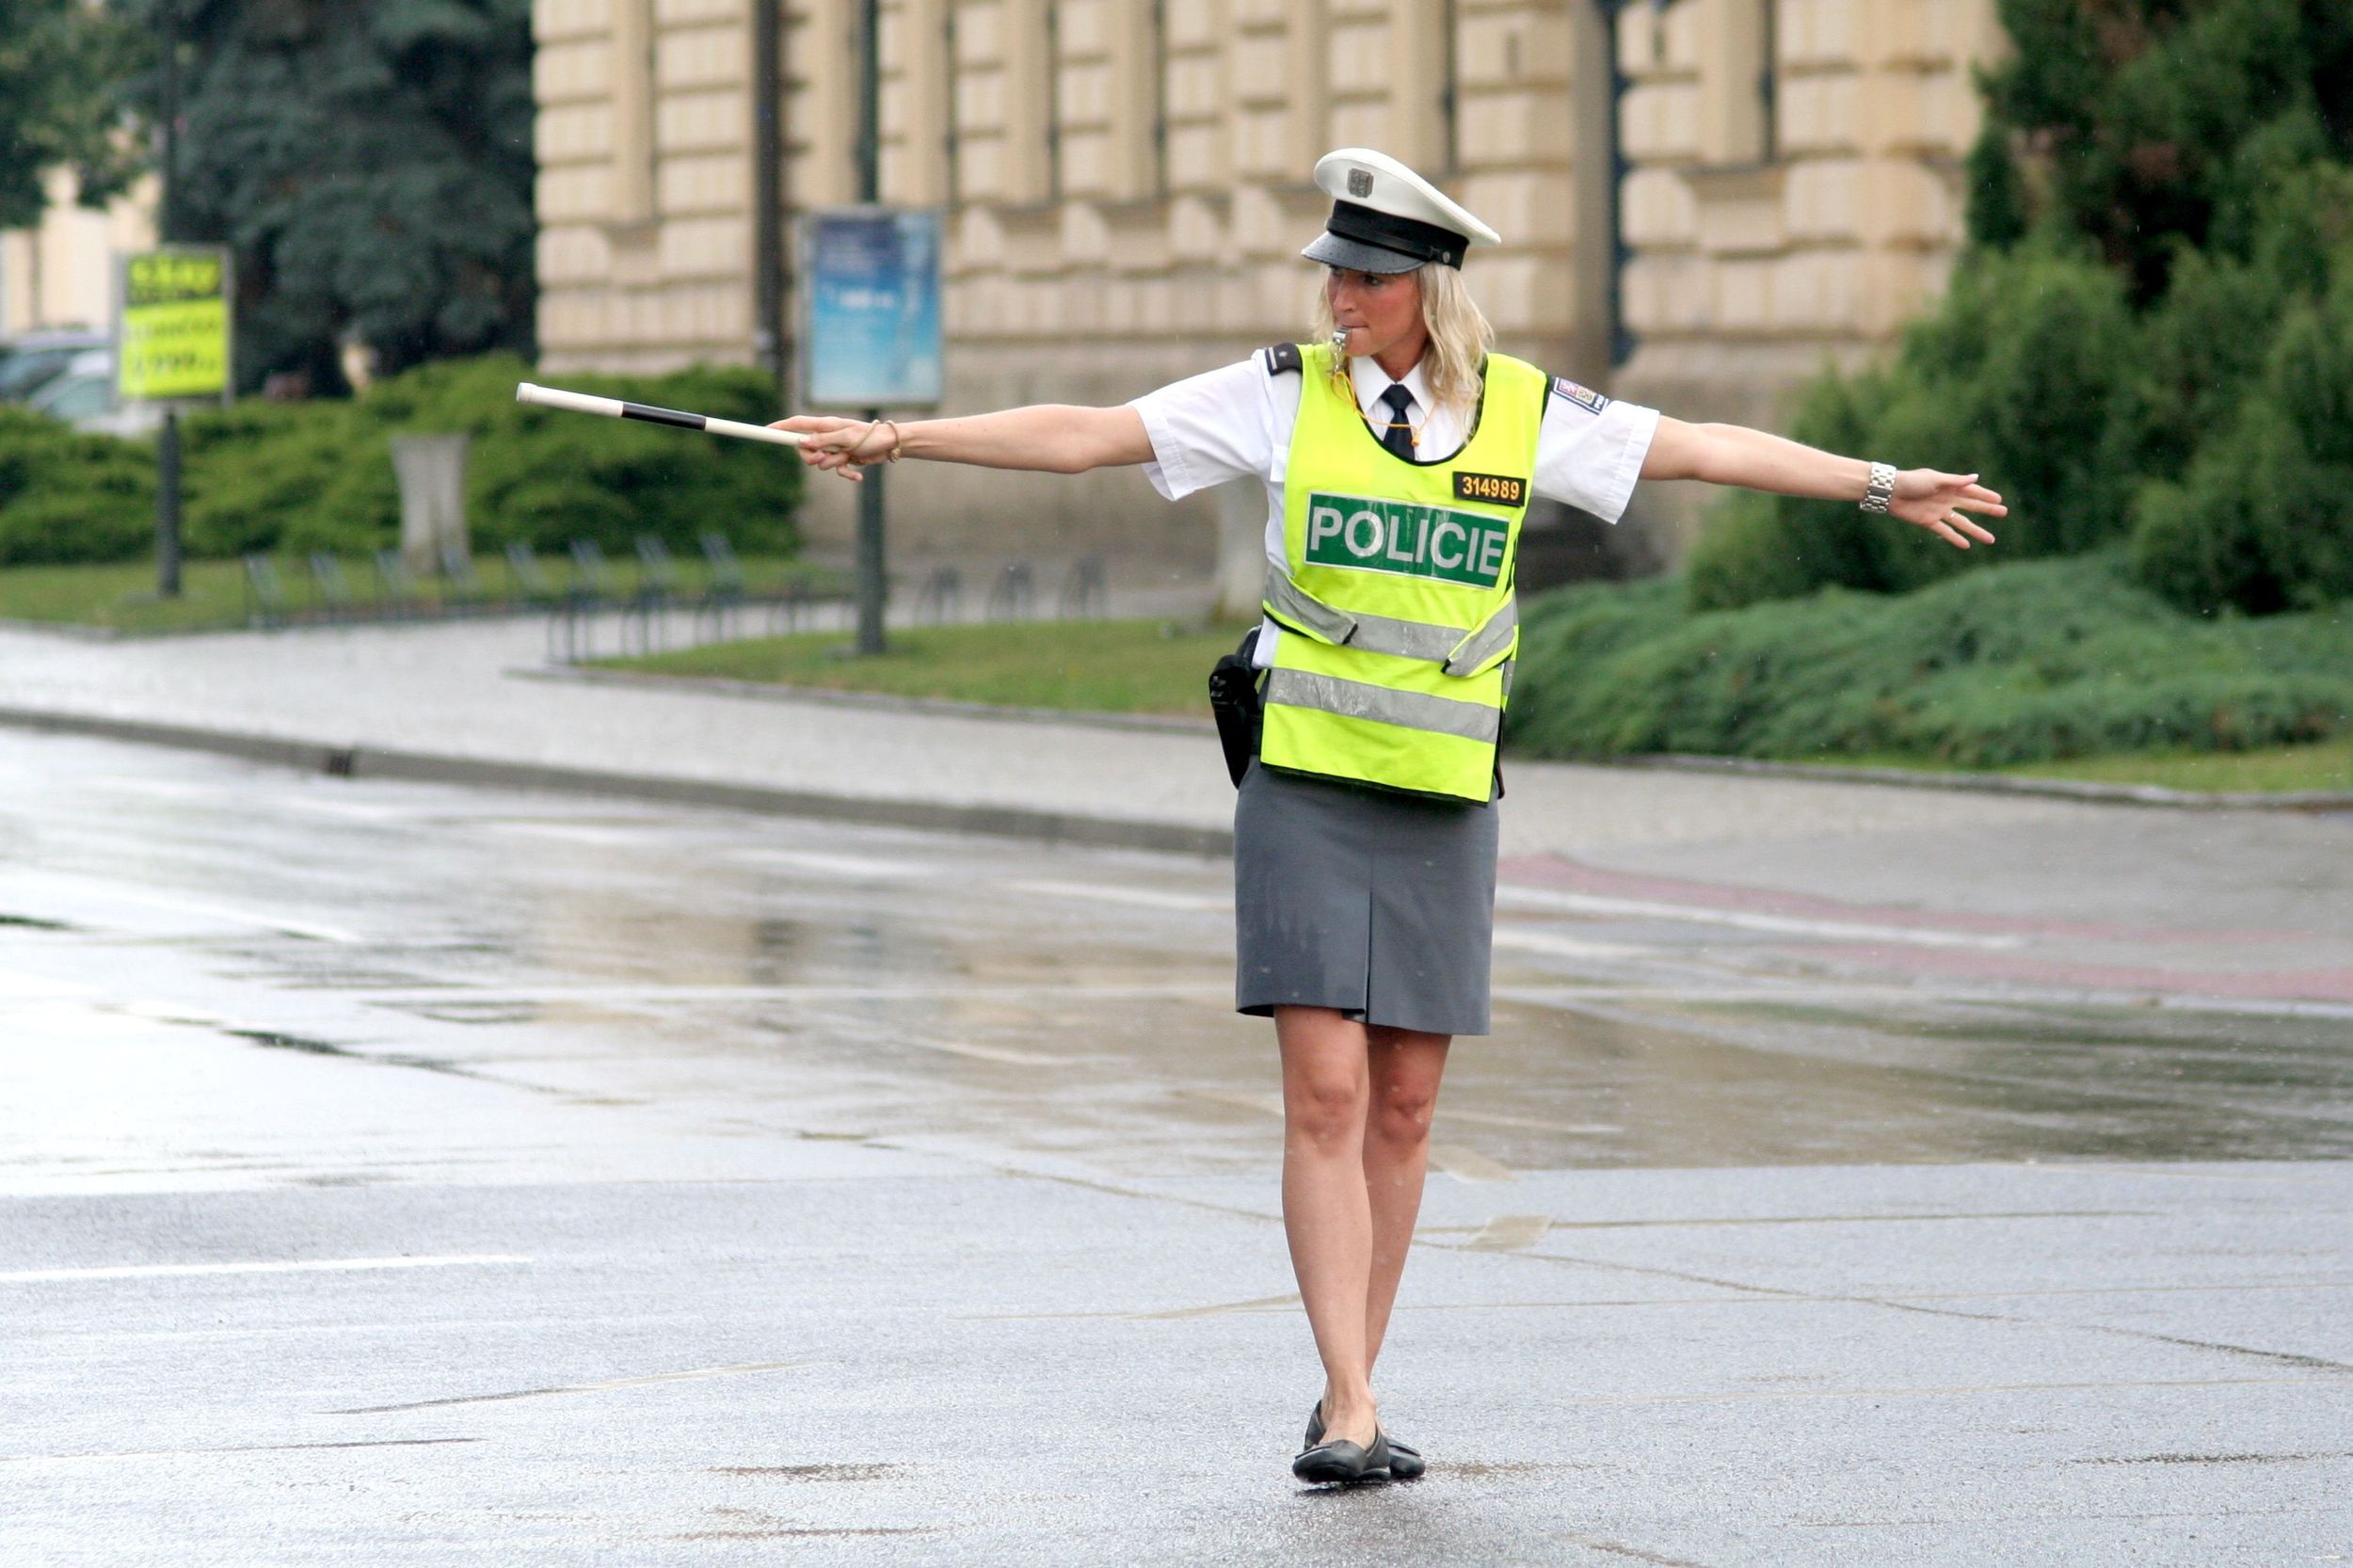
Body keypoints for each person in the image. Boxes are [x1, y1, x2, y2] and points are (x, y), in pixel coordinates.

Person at [777, 147, 2004, 1487]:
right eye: (1332, 274)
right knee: (1326, 1088)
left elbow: (1700, 451)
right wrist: (897, 437)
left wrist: (1885, 485)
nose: (1337, 299)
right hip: (1302, 780)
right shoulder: (1279, 396)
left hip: (1441, 799)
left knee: (1406, 1107)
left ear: (1426, 287)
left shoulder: (1528, 412)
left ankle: (1346, 1373)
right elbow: (1091, 433)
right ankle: (1355, 1404)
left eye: (1362, 277)